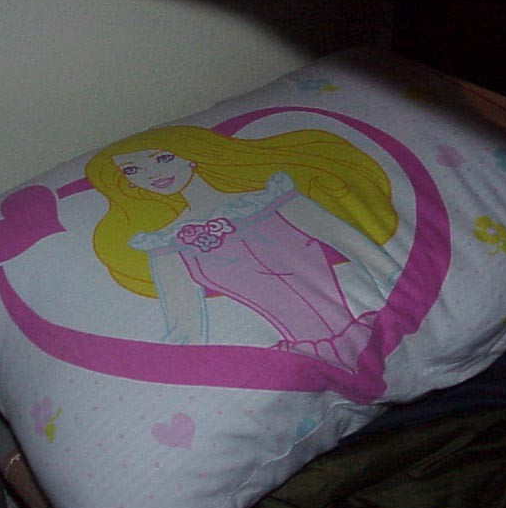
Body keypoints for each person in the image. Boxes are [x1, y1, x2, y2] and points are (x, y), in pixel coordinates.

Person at [84, 125, 398, 371]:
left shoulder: (274, 196)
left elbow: (352, 243)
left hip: (372, 332)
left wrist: (402, 287)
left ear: (191, 157)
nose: (153, 174)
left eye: (163, 159)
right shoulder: (167, 245)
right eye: (132, 170)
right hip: (299, 360)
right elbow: (185, 327)